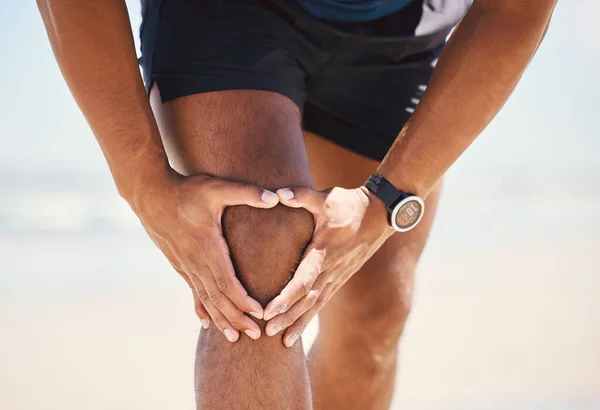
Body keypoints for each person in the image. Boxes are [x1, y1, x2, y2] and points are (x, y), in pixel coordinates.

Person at [36, 0, 557, 408]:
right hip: (224, 14)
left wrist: (387, 200)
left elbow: (516, 8)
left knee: (375, 311)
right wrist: (140, 180)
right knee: (261, 265)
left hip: (401, 27)